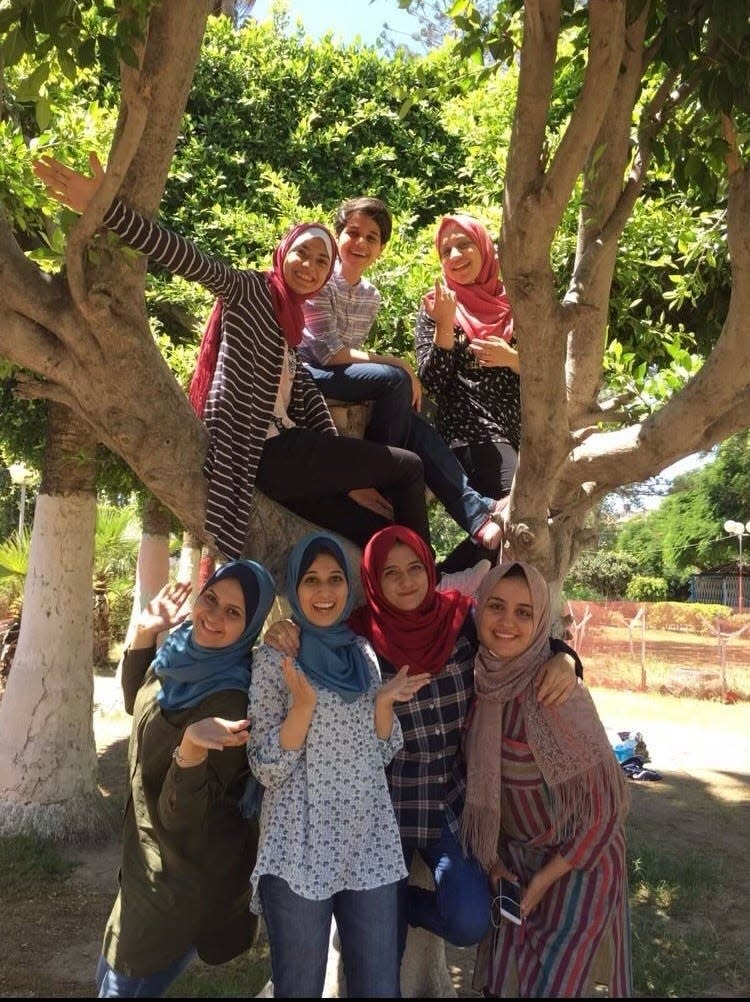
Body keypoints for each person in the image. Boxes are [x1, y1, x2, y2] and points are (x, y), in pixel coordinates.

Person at [33, 154, 432, 561]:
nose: (310, 268)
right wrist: (104, 209)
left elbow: (311, 405)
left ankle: (397, 606)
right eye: (303, 254)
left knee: (377, 529)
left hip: (285, 470)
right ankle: (428, 585)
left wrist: (352, 480)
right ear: (283, 251)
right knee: (409, 467)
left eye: (321, 262)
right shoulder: (251, 290)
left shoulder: (289, 326)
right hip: (267, 453)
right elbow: (184, 256)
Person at [264, 524, 583, 972]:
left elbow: (522, 643)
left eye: (415, 567)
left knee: (469, 919)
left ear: (430, 569)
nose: (406, 580)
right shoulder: (356, 641)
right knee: (378, 958)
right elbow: (309, 635)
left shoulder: (462, 622)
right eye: (390, 572)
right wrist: (282, 629)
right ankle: (368, 917)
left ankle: (400, 908)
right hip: (379, 807)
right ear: (373, 579)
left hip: (445, 798)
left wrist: (566, 658)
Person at [246, 531, 431, 998]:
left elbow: (381, 752)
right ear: (294, 587)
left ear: (349, 586)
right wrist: (302, 707)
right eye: (311, 580)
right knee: (300, 987)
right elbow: (265, 767)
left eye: (334, 579)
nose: (324, 592)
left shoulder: (361, 654)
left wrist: (384, 702)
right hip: (298, 847)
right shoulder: (275, 658)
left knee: (378, 986)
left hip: (368, 841)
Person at [95, 559, 276, 998]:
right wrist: (142, 635)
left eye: (234, 613)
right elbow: (137, 702)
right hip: (142, 868)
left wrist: (191, 751)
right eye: (211, 599)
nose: (213, 616)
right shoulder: (180, 653)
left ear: (250, 626)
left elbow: (185, 820)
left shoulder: (230, 698)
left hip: (178, 883)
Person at [463, 561, 632, 998]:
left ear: (540, 621)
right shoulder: (478, 682)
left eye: (524, 612)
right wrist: (496, 864)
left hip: (578, 865)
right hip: (516, 867)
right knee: (509, 981)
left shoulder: (556, 690)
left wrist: (543, 880)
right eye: (496, 606)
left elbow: (605, 809)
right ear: (478, 609)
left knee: (559, 984)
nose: (507, 622)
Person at [301, 195, 504, 555]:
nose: (361, 243)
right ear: (336, 238)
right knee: (393, 381)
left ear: (381, 249)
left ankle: (477, 514)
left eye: (372, 238)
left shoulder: (370, 296)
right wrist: (399, 364)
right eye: (353, 233)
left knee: (416, 426)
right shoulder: (320, 280)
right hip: (308, 373)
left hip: (341, 378)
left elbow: (352, 364)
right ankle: (376, 476)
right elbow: (329, 353)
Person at [415, 213, 521, 572]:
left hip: (512, 436)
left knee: (516, 528)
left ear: (484, 247)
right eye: (446, 250)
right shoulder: (436, 305)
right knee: (514, 524)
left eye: (464, 244)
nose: (455, 255)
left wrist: (512, 359)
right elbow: (433, 380)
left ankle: (442, 584)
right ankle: (439, 584)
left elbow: (546, 376)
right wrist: (445, 323)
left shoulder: (516, 307)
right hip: (467, 435)